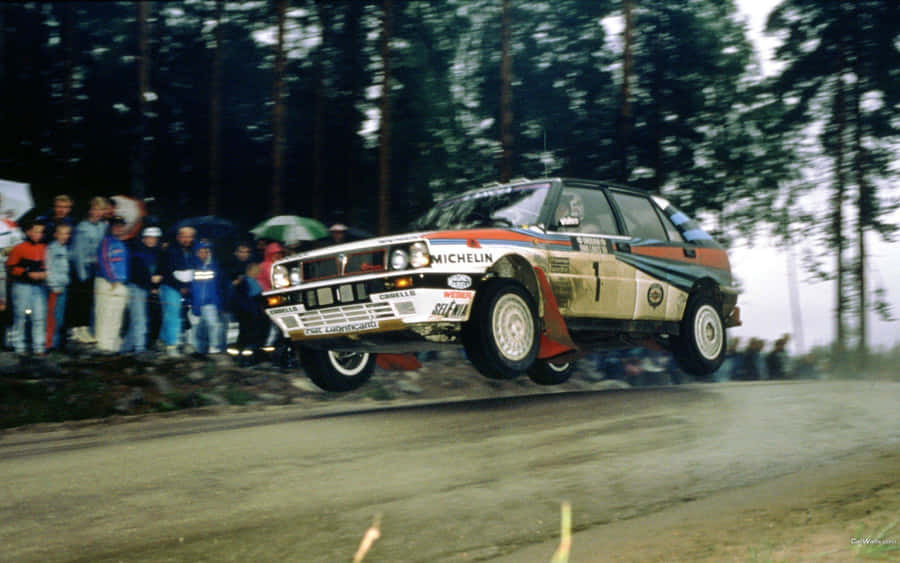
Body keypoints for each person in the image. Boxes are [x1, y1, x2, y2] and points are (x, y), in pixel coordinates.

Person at [69, 197, 109, 344]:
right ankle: (76, 330)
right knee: (80, 300)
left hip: (95, 268)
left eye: (101, 209)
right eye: (95, 209)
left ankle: (85, 328)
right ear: (90, 210)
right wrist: (81, 274)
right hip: (81, 268)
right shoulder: (82, 227)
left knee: (88, 302)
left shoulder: (103, 226)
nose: (98, 212)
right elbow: (78, 253)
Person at [6, 220, 47, 356]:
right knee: (20, 316)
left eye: (41, 232)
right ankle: (19, 346)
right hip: (22, 287)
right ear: (28, 232)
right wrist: (27, 273)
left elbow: (49, 266)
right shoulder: (19, 248)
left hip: (39, 287)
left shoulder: (44, 248)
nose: (38, 234)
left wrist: (45, 273)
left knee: (39, 317)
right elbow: (11, 267)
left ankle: (38, 347)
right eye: (36, 231)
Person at [123, 226, 163, 355]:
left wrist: (154, 286)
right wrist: (150, 280)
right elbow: (135, 273)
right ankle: (140, 349)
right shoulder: (137, 252)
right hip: (136, 288)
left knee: (138, 320)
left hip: (146, 289)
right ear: (144, 238)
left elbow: (159, 271)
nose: (152, 240)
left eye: (154, 238)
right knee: (139, 319)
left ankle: (124, 349)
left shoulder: (157, 253)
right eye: (149, 238)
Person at [158, 226, 195, 357]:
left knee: (178, 315)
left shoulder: (192, 252)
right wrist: (180, 286)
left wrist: (188, 287)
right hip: (170, 287)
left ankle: (162, 341)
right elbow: (167, 270)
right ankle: (171, 346)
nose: (186, 239)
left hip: (184, 289)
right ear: (178, 237)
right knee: (172, 315)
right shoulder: (170, 250)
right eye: (184, 236)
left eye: (189, 236)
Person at [94, 216, 129, 353]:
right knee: (104, 316)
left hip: (120, 284)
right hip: (106, 283)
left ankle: (113, 346)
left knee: (116, 317)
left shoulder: (122, 244)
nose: (118, 228)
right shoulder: (106, 242)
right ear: (111, 227)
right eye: (116, 226)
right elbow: (104, 260)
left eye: (121, 226)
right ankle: (103, 347)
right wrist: (112, 279)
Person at [188, 240, 222, 355]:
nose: (203, 254)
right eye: (201, 251)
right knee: (194, 327)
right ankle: (194, 349)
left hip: (210, 302)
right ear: (196, 252)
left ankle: (214, 347)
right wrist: (191, 302)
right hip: (194, 302)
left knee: (213, 325)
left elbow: (217, 286)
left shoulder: (214, 266)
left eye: (206, 251)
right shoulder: (191, 265)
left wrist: (217, 303)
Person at [45, 223, 72, 352]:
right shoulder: (52, 249)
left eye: (67, 233)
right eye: (61, 233)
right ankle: (49, 344)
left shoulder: (65, 248)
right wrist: (53, 285)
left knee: (59, 317)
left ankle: (55, 343)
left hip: (63, 286)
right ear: (56, 235)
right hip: (54, 289)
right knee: (52, 317)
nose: (64, 236)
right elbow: (48, 267)